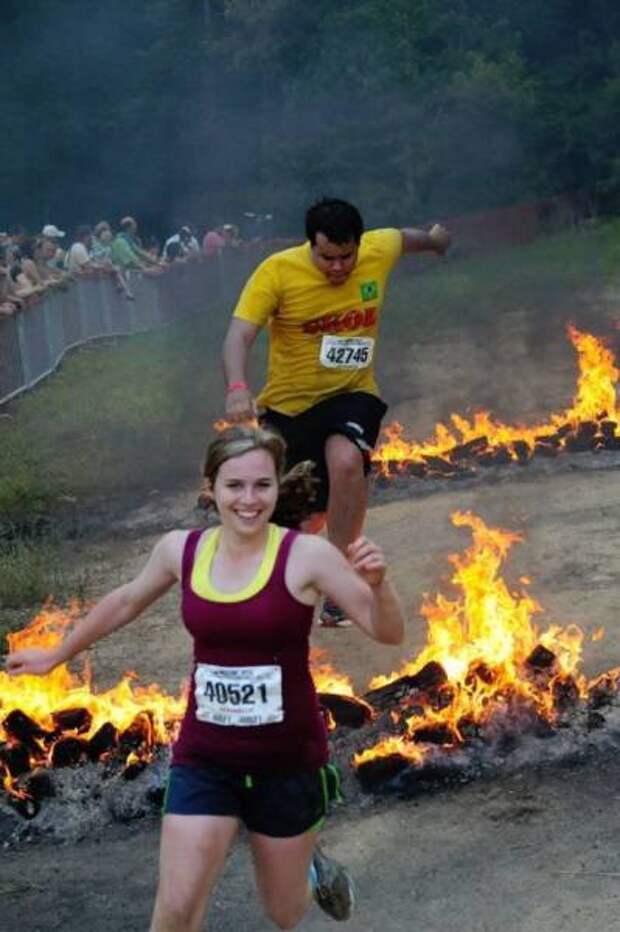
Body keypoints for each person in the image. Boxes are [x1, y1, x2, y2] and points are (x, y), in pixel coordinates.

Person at [6, 424, 405, 931]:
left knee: (285, 913)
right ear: (210, 487)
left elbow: (387, 631)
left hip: (287, 763)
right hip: (205, 758)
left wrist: (380, 586)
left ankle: (310, 863)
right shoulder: (182, 550)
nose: (248, 500)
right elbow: (126, 600)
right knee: (176, 909)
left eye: (261, 485)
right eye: (234, 485)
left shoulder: (307, 556)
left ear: (277, 487)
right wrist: (56, 654)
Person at [223, 197, 450, 627]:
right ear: (311, 244)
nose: (338, 267)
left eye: (347, 257)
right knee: (298, 519)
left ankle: (340, 583)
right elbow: (239, 335)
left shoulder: (378, 248)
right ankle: (257, 591)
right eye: (327, 258)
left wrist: (437, 240)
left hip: (351, 393)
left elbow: (409, 239)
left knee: (346, 461)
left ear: (359, 245)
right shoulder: (277, 272)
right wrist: (237, 387)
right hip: (289, 408)